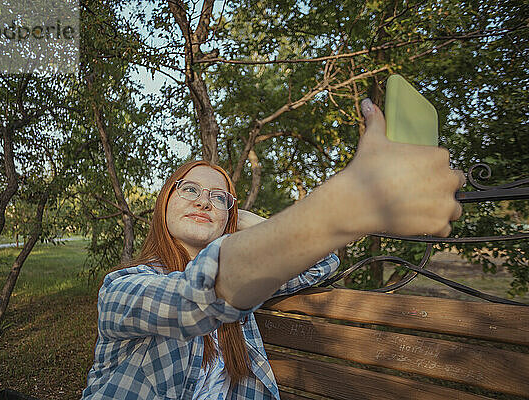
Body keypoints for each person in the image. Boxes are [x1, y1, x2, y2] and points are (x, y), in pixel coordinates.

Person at [82, 99, 464, 399]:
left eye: (219, 198)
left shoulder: (249, 283)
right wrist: (341, 208)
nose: (204, 202)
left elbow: (323, 264)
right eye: (190, 190)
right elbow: (192, 298)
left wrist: (253, 224)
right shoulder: (122, 289)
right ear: (164, 202)